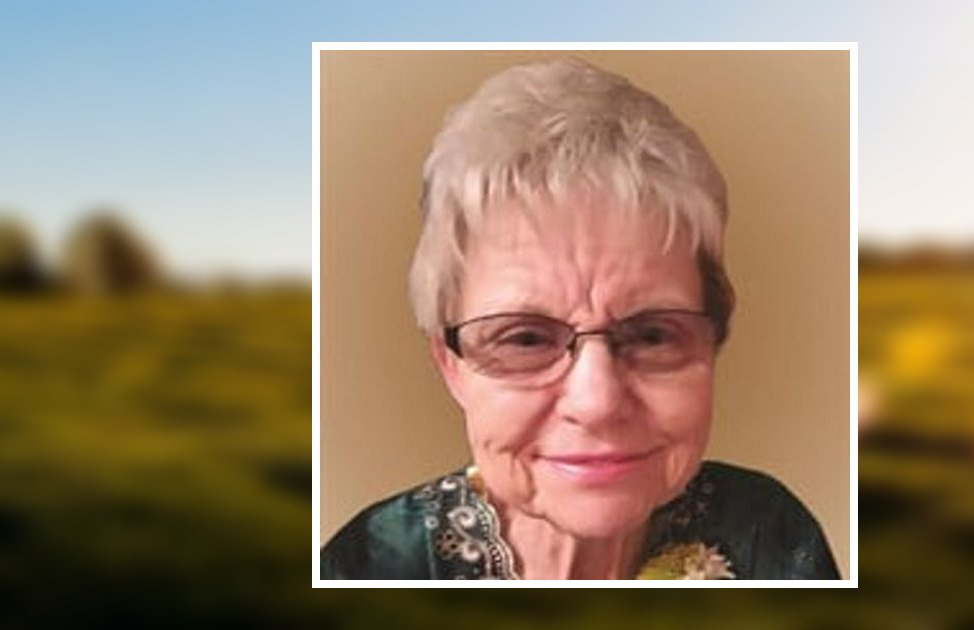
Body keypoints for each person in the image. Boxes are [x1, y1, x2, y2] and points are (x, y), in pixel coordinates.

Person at [321, 57, 840, 580]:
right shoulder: (368, 565)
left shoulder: (770, 536)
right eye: (525, 339)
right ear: (450, 365)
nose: (598, 403)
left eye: (653, 335)